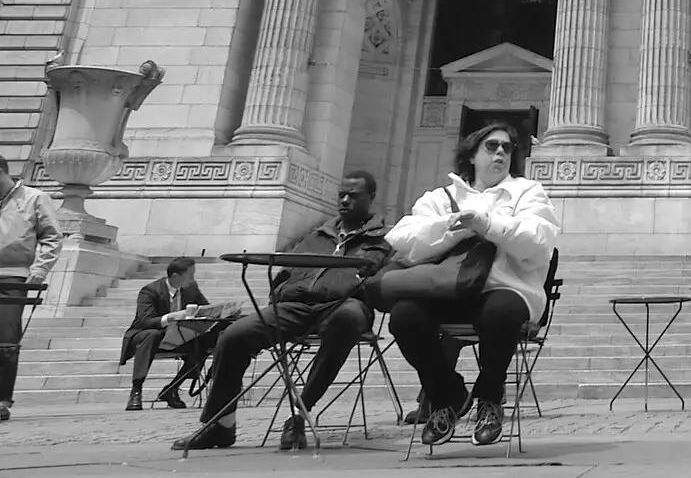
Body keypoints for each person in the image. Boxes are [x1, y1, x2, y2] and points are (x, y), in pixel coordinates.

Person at [171, 172, 393, 452]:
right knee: (234, 334)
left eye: (354, 196)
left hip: (345, 307)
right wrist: (283, 292)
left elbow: (384, 282)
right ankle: (220, 424)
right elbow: (283, 275)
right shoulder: (317, 235)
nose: (345, 201)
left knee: (347, 318)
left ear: (371, 198)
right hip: (296, 306)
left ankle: (299, 414)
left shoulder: (385, 239)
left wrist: (357, 286)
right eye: (342, 195)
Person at [386, 125, 560, 447]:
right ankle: (446, 394)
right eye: (492, 146)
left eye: (507, 149)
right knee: (404, 316)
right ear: (472, 154)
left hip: (506, 287)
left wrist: (487, 224)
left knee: (500, 312)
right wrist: (455, 228)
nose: (500, 153)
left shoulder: (528, 192)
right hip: (447, 287)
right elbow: (402, 238)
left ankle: (490, 396)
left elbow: (538, 241)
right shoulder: (442, 197)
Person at [0, 155, 62, 421]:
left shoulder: (33, 198)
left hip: (12, 277)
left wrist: (39, 269)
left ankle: (1, 399)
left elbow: (52, 235)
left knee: (5, 340)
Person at [121, 256, 212, 411]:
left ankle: (172, 389)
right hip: (146, 334)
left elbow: (205, 308)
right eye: (190, 275)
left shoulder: (191, 288)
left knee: (202, 342)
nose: (193, 278)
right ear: (176, 276)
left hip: (178, 335)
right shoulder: (149, 291)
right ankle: (136, 390)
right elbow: (144, 321)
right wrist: (171, 317)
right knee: (152, 335)